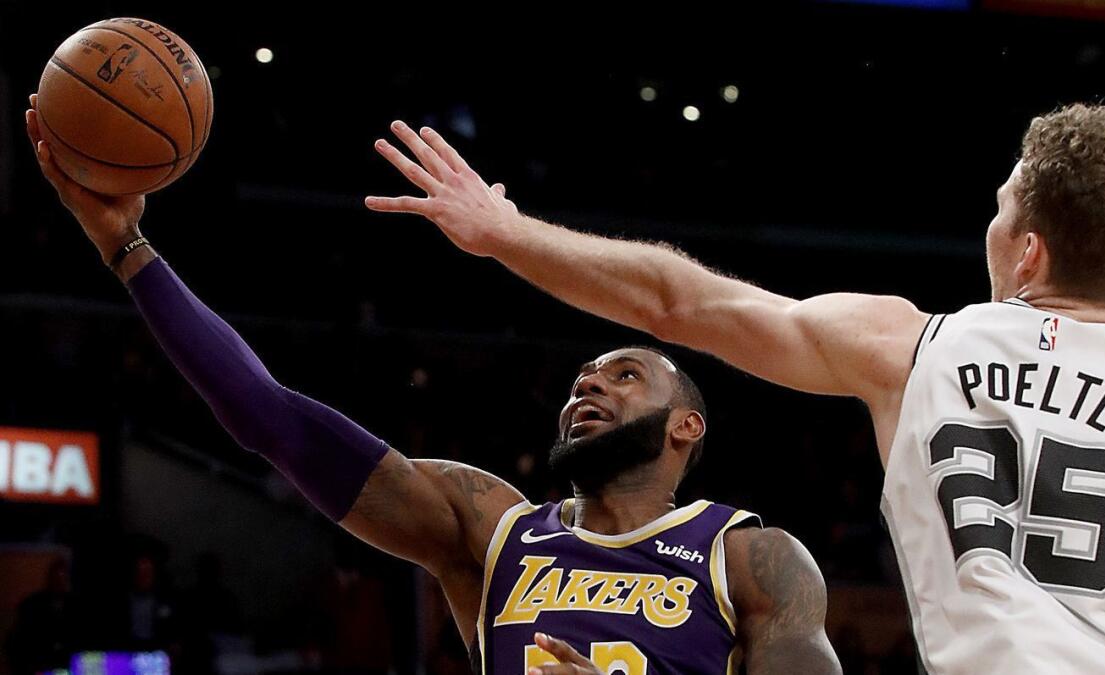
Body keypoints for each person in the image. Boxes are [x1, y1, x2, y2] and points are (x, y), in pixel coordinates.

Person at [24, 96, 839, 675]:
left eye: (624, 373)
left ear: (687, 426)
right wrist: (128, 249)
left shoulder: (752, 556)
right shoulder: (489, 530)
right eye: (581, 375)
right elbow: (273, 420)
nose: (589, 384)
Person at [367, 104, 1105, 673]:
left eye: (1002, 208)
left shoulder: (912, 345)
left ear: (1028, 254)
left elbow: (676, 300)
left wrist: (508, 235)